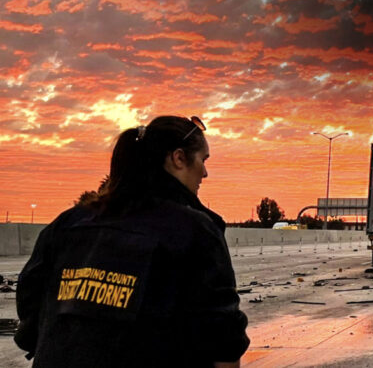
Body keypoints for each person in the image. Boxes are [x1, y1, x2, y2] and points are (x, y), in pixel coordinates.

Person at [15, 116, 250, 367]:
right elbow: (222, 339)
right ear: (178, 158)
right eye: (203, 160)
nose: (205, 172)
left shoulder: (67, 223)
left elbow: (30, 301)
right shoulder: (194, 229)